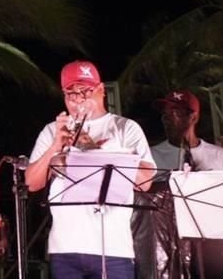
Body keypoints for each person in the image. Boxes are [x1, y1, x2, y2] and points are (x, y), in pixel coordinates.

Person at [25, 60, 155, 279]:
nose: (79, 101)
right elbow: (31, 183)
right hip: (65, 249)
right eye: (71, 94)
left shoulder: (125, 128)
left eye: (85, 92)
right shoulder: (52, 131)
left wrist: (95, 149)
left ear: (101, 90)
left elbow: (145, 182)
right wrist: (56, 146)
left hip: (113, 249)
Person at [147, 89, 223, 279]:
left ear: (193, 117)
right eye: (165, 114)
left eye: (175, 113)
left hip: (214, 247)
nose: (167, 119)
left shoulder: (221, 157)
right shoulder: (151, 157)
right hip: (168, 248)